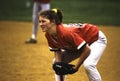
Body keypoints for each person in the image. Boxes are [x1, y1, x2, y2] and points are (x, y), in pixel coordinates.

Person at [39, 8, 107, 81]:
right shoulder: (49, 35)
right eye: (39, 21)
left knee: (88, 64)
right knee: (56, 64)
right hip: (79, 44)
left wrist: (76, 67)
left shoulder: (65, 33)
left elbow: (87, 50)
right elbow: (57, 51)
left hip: (95, 38)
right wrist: (58, 65)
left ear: (53, 21)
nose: (40, 24)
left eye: (43, 21)